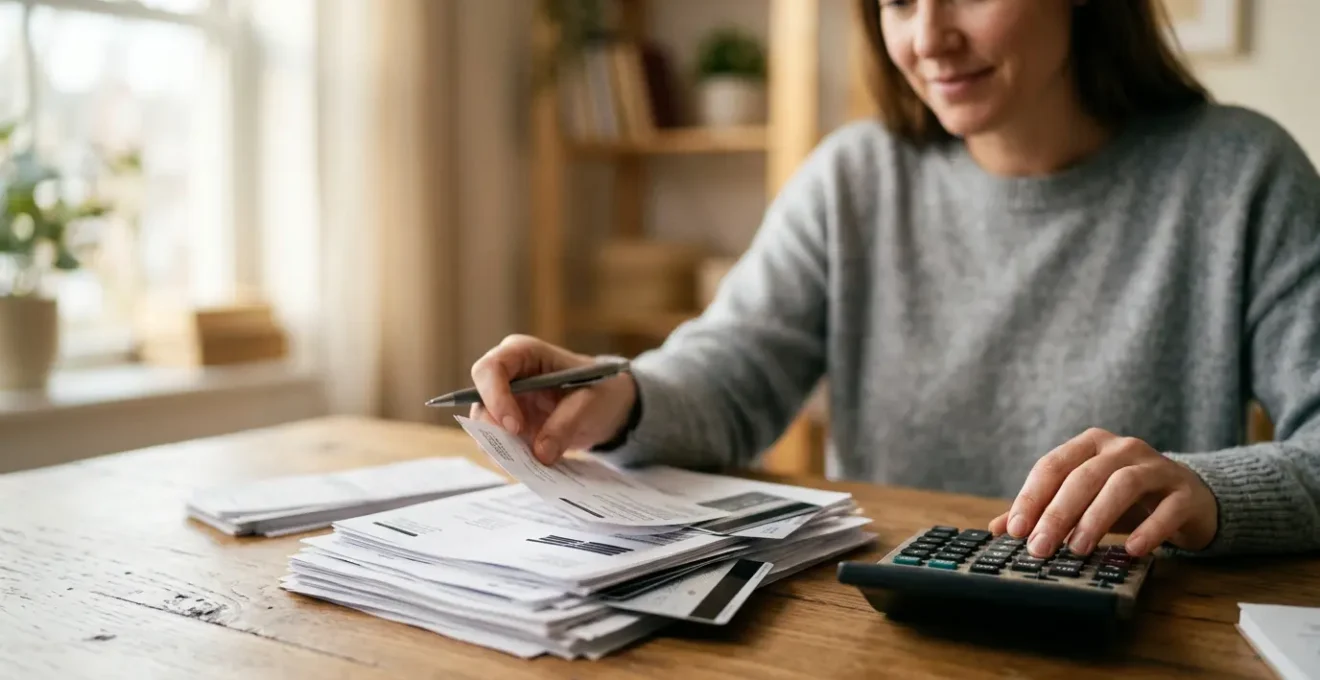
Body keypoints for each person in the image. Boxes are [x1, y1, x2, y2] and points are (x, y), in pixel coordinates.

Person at [469, 0, 1320, 561]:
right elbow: (731, 373)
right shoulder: (854, 176)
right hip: (887, 625)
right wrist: (616, 396)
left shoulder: (1244, 173)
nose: (928, 38)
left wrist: (1210, 489)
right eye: (900, 0)